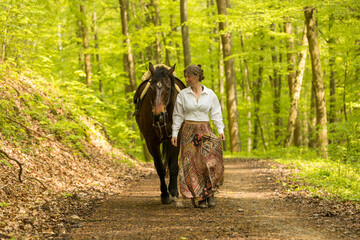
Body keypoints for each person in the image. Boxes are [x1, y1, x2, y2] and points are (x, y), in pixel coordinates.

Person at [171, 64, 225, 208]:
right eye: (186, 76)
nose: (186, 79)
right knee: (190, 164)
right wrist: (174, 133)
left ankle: (210, 193)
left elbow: (216, 113)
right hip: (188, 131)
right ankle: (200, 196)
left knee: (208, 162)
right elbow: (177, 115)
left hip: (205, 130)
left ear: (197, 76)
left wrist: (220, 129)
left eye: (189, 76)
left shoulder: (210, 94)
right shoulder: (183, 94)